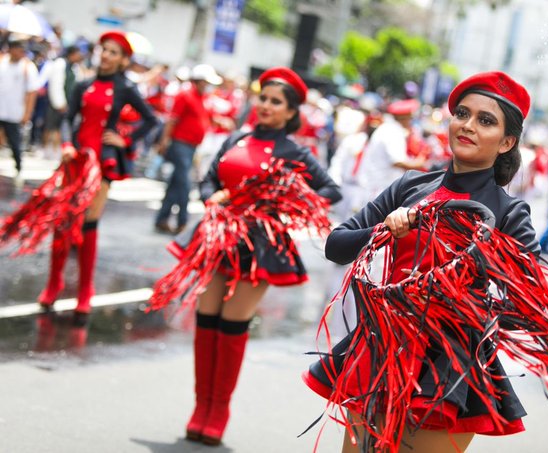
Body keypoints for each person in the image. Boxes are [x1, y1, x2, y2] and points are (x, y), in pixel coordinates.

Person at [304, 71, 544, 452]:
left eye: (486, 121)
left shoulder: (508, 212)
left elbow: (537, 293)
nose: (468, 126)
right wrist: (383, 231)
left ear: (507, 141)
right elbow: (336, 245)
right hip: (381, 345)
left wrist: (479, 274)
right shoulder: (410, 187)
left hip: (449, 364)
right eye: (462, 114)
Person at [170, 67, 341, 446]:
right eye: (263, 97)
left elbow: (330, 190)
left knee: (232, 326)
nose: (265, 105)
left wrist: (285, 203)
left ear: (290, 111)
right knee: (206, 320)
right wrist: (210, 194)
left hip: (259, 246)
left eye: (275, 101)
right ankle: (200, 407)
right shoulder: (238, 136)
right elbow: (210, 177)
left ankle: (219, 411)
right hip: (217, 238)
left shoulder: (295, 151)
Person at [37, 30, 157, 320]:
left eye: (113, 52)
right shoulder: (84, 84)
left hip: (102, 165)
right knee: (64, 221)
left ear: (123, 60)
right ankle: (54, 284)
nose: (106, 55)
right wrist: (66, 144)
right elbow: (69, 118)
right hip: (76, 159)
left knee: (89, 224)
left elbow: (151, 120)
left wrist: (124, 139)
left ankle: (85, 291)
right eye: (104, 49)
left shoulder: (125, 88)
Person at [154, 64, 222, 234]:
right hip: (179, 144)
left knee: (176, 183)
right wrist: (164, 141)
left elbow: (206, 117)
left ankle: (162, 219)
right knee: (184, 183)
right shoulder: (184, 95)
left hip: (192, 146)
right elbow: (172, 120)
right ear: (198, 81)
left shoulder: (202, 97)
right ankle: (182, 221)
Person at [0, 35, 40, 178]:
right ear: (11, 49)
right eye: (18, 49)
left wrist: (27, 113)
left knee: (14, 143)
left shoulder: (27, 67)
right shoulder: (2, 62)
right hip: (1, 109)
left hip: (15, 112)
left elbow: (32, 92)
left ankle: (18, 167)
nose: (20, 52)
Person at [45, 45, 86, 158]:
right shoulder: (60, 64)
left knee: (61, 127)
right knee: (52, 127)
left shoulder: (75, 68)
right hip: (58, 103)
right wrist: (60, 102)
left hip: (68, 104)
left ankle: (57, 149)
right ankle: (48, 149)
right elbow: (56, 84)